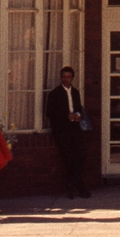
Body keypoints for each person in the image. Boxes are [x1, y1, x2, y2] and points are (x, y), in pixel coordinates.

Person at [45, 66, 91, 199]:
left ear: (72, 78)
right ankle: (79, 187)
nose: (66, 79)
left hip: (75, 129)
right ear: (61, 78)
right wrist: (66, 116)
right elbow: (50, 113)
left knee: (81, 156)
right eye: (64, 77)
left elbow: (78, 108)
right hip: (62, 130)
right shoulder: (54, 94)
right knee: (68, 159)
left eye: (69, 77)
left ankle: (71, 183)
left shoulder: (76, 92)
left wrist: (78, 115)